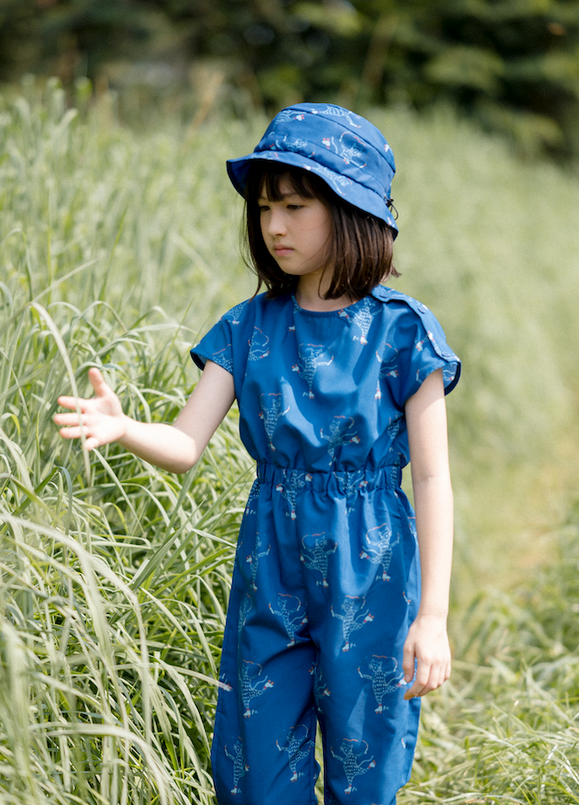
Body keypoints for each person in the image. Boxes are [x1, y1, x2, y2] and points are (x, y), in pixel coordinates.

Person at [55, 102, 461, 805]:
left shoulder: (404, 334)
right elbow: (186, 443)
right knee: (255, 769)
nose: (274, 225)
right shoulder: (248, 327)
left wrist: (432, 616)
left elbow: (432, 477)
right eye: (266, 207)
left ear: (353, 210)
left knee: (367, 771)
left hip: (372, 566)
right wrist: (125, 428)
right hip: (270, 563)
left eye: (296, 205)